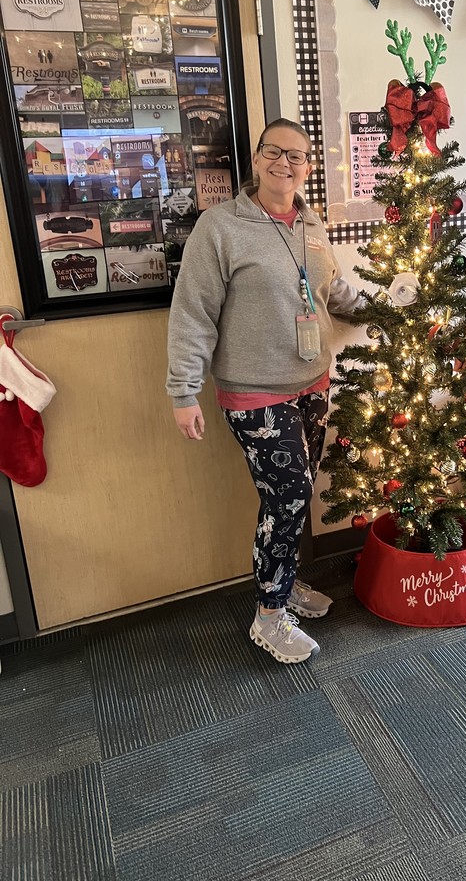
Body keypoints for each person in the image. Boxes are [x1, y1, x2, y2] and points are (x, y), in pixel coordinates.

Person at [166, 118, 365, 662]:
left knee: (296, 498)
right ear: (255, 160)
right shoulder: (221, 226)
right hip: (253, 392)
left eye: (297, 156)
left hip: (312, 383)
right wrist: (183, 392)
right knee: (289, 496)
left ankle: (283, 580)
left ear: (309, 167)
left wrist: (382, 309)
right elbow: (193, 313)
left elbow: (331, 289)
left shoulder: (312, 222)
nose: (285, 162)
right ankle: (269, 614)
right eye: (274, 152)